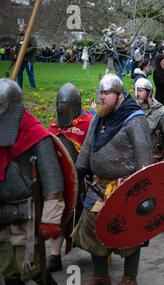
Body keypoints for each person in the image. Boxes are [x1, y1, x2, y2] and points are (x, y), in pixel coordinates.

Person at [72, 74, 153, 285]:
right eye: (101, 93)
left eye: (106, 93)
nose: (101, 97)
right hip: (98, 186)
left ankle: (129, 277)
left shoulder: (135, 119)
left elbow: (144, 161)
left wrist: (136, 187)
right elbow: (88, 147)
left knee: (129, 233)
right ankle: (100, 275)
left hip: (125, 188)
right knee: (91, 228)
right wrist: (79, 171)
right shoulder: (100, 116)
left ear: (118, 95)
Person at [0, 78, 66, 285]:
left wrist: (51, 218)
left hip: (27, 210)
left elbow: (53, 181)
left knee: (30, 264)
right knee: (8, 266)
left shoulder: (35, 134)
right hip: (2, 209)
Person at [46, 83, 93, 272]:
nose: (60, 108)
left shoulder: (88, 123)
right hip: (61, 183)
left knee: (90, 218)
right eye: (59, 104)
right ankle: (55, 256)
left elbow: (96, 154)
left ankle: (99, 255)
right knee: (57, 215)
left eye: (64, 104)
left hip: (86, 183)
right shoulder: (54, 126)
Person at [134, 78, 164, 162]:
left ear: (149, 93)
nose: (137, 94)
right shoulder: (133, 109)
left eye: (140, 91)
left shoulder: (160, 112)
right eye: (136, 91)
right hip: (135, 155)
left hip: (154, 157)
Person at [15, 24, 37, 89]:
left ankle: (33, 88)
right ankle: (19, 88)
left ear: (25, 29)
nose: (19, 29)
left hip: (28, 59)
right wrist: (16, 54)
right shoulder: (18, 36)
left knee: (30, 74)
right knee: (19, 73)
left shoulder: (31, 37)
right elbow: (17, 46)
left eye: (21, 28)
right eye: (19, 28)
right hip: (20, 60)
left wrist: (24, 51)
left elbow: (34, 47)